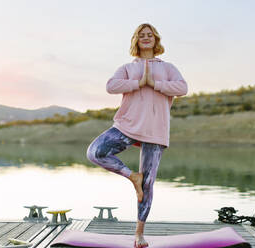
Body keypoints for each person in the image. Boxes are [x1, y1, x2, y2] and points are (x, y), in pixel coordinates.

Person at [86, 23, 188, 248]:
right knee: (95, 152)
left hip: (155, 130)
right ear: (136, 40)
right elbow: (111, 86)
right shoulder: (127, 67)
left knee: (149, 183)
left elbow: (182, 88)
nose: (146, 38)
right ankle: (132, 176)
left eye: (149, 35)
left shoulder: (168, 67)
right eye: (141, 35)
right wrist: (138, 83)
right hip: (127, 125)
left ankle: (139, 234)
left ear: (156, 39)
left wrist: (155, 83)